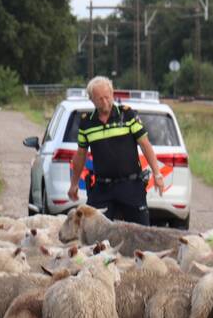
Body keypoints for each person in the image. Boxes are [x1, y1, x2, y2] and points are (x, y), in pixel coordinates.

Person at [67, 76, 164, 225]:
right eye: (100, 99)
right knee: (93, 233)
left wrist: (157, 173)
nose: (105, 102)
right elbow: (80, 155)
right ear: (92, 100)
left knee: (141, 234)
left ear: (112, 94)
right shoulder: (86, 123)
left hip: (131, 187)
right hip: (102, 188)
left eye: (107, 97)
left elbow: (145, 145)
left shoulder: (127, 115)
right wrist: (74, 184)